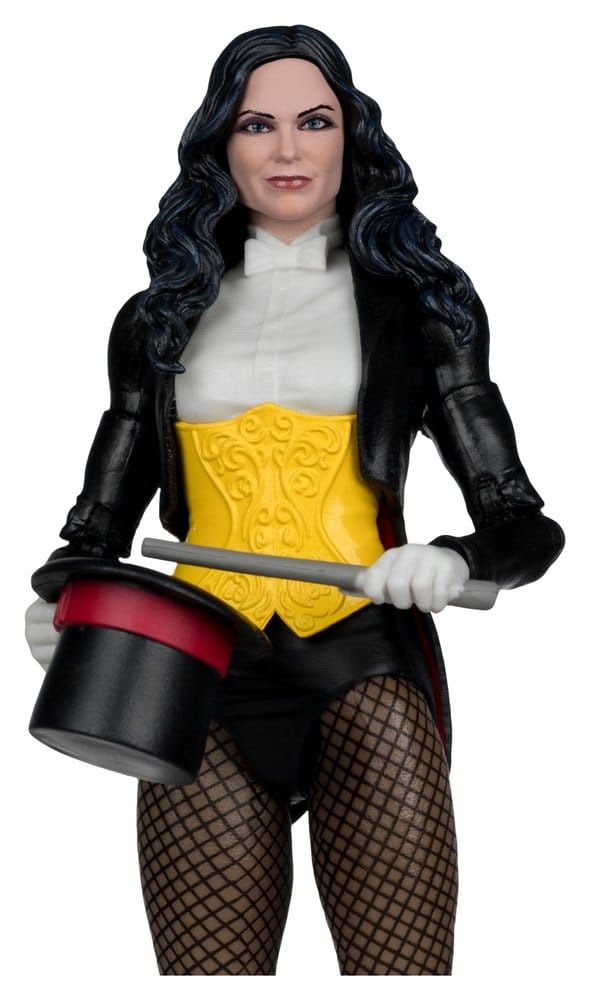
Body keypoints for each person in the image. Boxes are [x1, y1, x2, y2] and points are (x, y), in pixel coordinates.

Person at [25, 24, 564, 976]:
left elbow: (525, 524)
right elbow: (95, 526)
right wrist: (65, 601)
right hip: (194, 678)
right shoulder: (156, 319)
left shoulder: (424, 307)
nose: (286, 149)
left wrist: (456, 557)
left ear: (349, 135)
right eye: (256, 124)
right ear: (220, 144)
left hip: (365, 668)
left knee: (402, 981)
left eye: (313, 122)